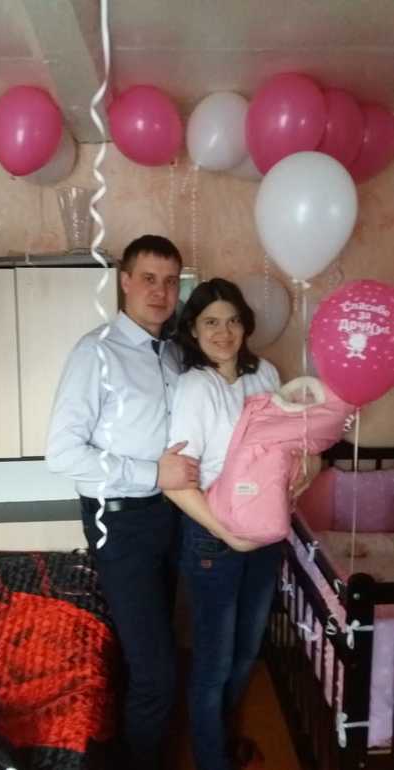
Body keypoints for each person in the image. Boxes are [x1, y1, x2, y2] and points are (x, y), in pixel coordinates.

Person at [45, 234, 199, 770]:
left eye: (170, 281)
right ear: (125, 281)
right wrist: (152, 472)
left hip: (171, 516)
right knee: (157, 672)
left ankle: (131, 748)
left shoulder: (174, 353)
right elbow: (63, 453)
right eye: (148, 278)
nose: (160, 291)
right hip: (120, 524)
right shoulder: (96, 352)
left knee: (149, 655)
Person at [165, 278, 317, 770]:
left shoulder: (265, 374)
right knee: (214, 662)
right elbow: (177, 483)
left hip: (265, 531)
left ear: (246, 326)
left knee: (248, 650)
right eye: (211, 322)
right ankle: (212, 759)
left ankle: (222, 741)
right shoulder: (195, 387)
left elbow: (290, 443)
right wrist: (227, 534)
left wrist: (304, 468)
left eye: (232, 320)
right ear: (193, 329)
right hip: (216, 537)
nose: (223, 332)